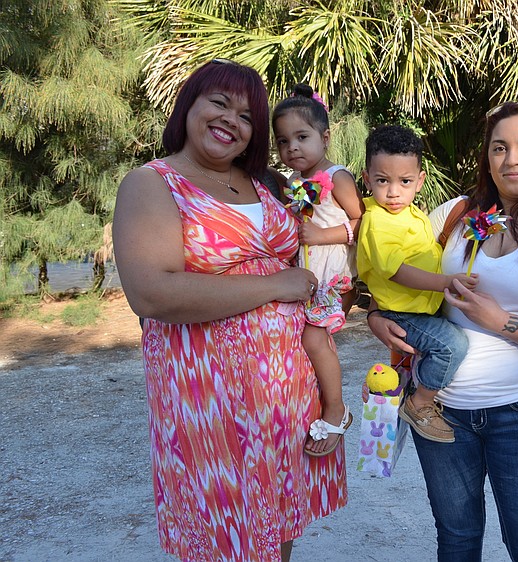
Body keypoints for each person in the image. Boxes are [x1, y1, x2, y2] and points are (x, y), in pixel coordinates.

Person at [112, 60, 346, 562]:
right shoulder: (152, 183)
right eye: (219, 102)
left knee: (279, 522)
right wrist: (275, 285)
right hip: (210, 396)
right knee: (226, 532)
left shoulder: (263, 184)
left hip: (285, 390)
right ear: (189, 106)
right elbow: (153, 294)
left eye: (246, 115)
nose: (231, 120)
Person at [368, 100, 518, 561]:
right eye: (499, 147)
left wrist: (502, 322)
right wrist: (378, 317)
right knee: (456, 540)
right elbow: (393, 275)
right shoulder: (455, 217)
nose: (511, 159)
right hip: (439, 412)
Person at [358, 125, 477, 443]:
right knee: (453, 346)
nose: (393, 192)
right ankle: (421, 402)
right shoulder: (377, 221)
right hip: (402, 313)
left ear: (419, 181)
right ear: (367, 179)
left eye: (404, 181)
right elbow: (396, 270)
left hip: (420, 310)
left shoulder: (414, 215)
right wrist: (445, 282)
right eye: (382, 181)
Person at [272, 83, 365, 456]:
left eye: (301, 137)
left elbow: (363, 223)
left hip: (333, 276)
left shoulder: (337, 176)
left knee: (314, 339)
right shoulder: (294, 182)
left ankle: (336, 410)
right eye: (282, 141)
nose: (292, 147)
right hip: (307, 275)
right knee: (301, 341)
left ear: (325, 138)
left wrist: (322, 234)